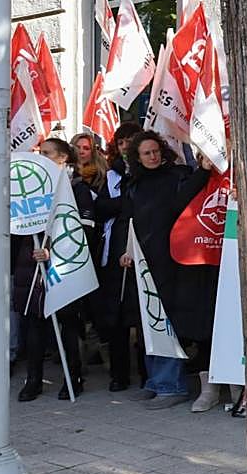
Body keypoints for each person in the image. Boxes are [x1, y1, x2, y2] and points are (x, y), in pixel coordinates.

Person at [117, 131, 214, 409]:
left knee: (164, 322)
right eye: (146, 153)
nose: (152, 156)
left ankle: (172, 385)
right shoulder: (133, 184)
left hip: (168, 262)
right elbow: (127, 219)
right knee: (147, 323)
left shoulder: (175, 177)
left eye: (155, 151)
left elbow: (183, 199)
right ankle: (155, 382)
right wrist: (125, 251)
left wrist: (204, 171)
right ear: (137, 157)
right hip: (142, 262)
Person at [14, 137, 97, 401]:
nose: (42, 156)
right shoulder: (30, 188)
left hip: (64, 265)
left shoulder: (77, 188)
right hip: (32, 264)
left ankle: (74, 378)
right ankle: (33, 380)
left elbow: (85, 229)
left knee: (68, 324)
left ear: (63, 158)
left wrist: (55, 249)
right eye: (40, 152)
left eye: (48, 153)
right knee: (34, 324)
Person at [93, 122, 145, 393]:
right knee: (114, 318)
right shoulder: (111, 175)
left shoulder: (146, 172)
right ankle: (119, 374)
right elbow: (100, 207)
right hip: (113, 251)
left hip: (141, 249)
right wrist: (122, 205)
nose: (126, 146)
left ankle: (147, 373)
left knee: (141, 316)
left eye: (131, 140)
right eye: (121, 141)